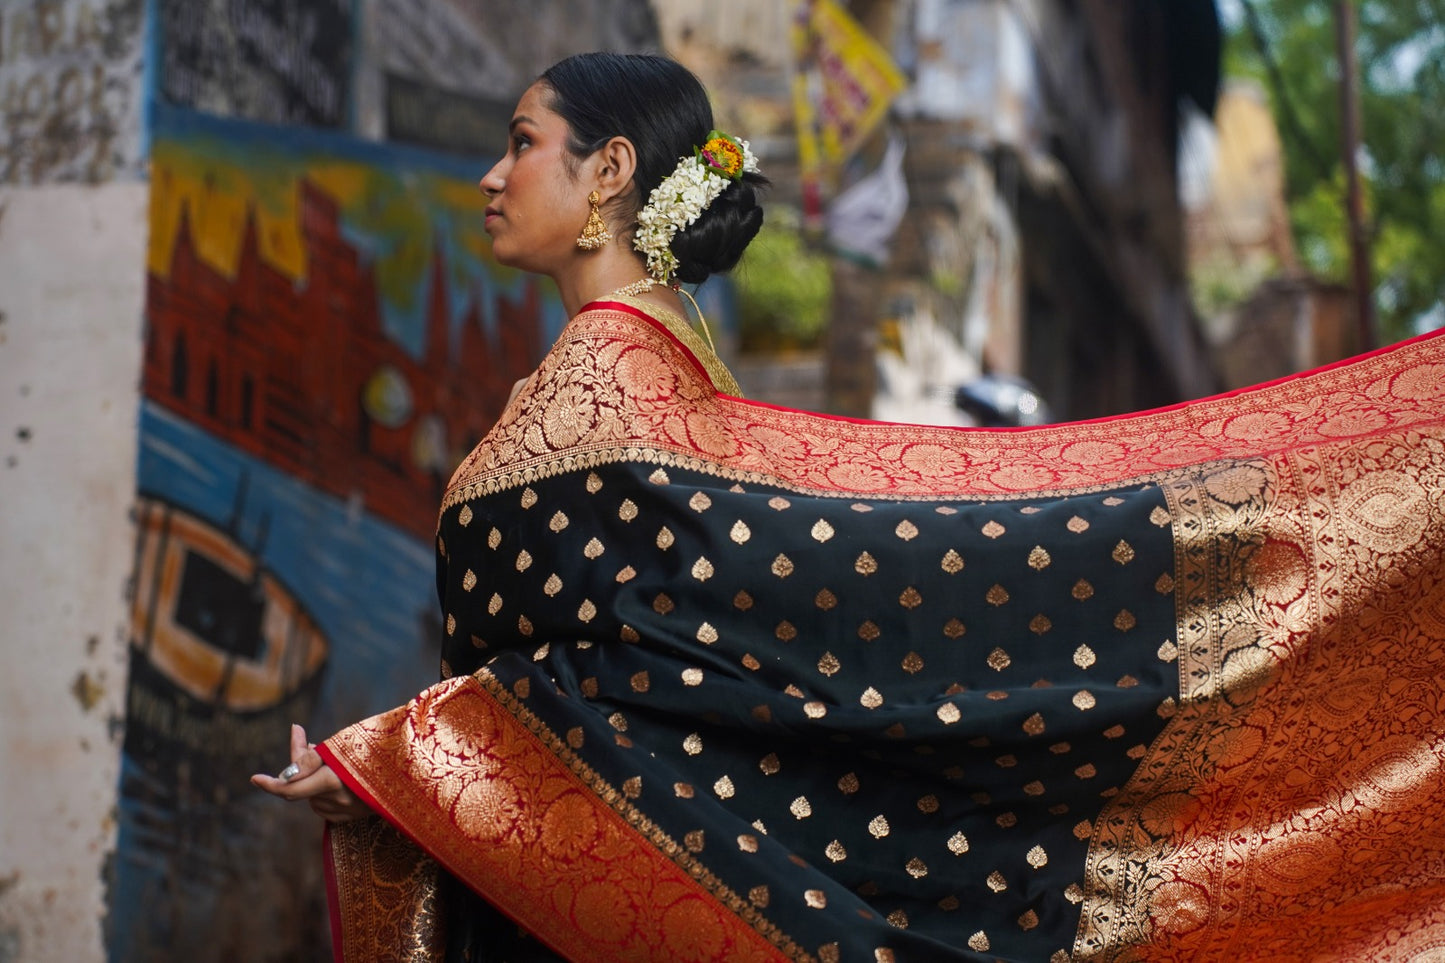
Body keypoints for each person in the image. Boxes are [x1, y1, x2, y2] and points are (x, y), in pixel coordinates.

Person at [255, 52, 1445, 963]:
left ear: (608, 171)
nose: (490, 174)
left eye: (522, 142)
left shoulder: (598, 389)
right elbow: (652, 678)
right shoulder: (670, 371)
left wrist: (388, 762)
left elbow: (598, 687)